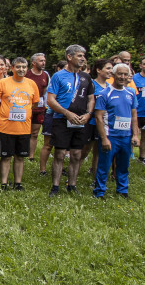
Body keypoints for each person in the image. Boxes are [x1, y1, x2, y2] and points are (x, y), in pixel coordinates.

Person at [46, 45, 95, 196]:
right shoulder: (58, 76)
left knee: (76, 154)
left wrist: (88, 114)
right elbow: (50, 100)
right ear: (69, 57)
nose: (82, 59)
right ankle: (55, 186)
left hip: (80, 120)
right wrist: (66, 113)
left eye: (83, 56)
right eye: (79, 56)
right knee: (60, 153)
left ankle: (72, 185)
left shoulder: (86, 77)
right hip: (62, 119)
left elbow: (91, 98)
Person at [0, 57, 40, 190]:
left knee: (20, 157)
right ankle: (4, 183)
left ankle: (18, 183)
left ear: (27, 68)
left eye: (24, 67)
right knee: (6, 157)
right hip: (6, 127)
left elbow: (35, 103)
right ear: (12, 68)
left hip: (24, 128)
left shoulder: (31, 84)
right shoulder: (3, 82)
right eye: (18, 67)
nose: (21, 69)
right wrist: (4, 109)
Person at [93, 64, 140, 198]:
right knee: (104, 166)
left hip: (125, 136)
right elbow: (98, 117)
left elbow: (134, 116)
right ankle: (99, 191)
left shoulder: (131, 92)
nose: (122, 77)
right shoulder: (104, 94)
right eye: (120, 74)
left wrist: (135, 135)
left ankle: (122, 190)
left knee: (124, 165)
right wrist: (104, 138)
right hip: (110, 136)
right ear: (113, 75)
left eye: (125, 74)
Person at [84, 59, 113, 178]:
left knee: (98, 151)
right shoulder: (90, 84)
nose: (111, 71)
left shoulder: (109, 87)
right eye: (108, 68)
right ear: (98, 70)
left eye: (111, 68)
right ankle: (72, 176)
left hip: (103, 123)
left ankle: (96, 178)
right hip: (90, 122)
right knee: (84, 151)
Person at [38, 60, 67, 175]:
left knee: (62, 145)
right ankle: (42, 169)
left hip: (65, 116)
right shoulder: (56, 78)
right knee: (48, 144)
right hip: (52, 114)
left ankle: (60, 167)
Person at [25, 53, 50, 160]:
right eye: (41, 61)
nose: (43, 63)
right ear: (34, 63)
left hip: (39, 109)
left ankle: (31, 156)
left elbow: (45, 93)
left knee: (35, 134)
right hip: (26, 107)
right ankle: (22, 153)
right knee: (25, 132)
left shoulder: (45, 75)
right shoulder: (27, 74)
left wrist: (45, 106)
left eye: (44, 60)